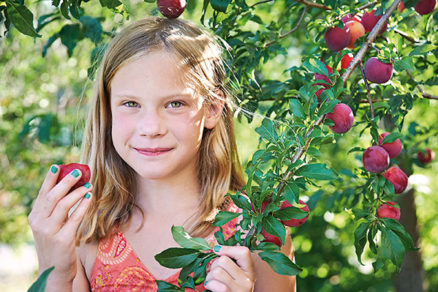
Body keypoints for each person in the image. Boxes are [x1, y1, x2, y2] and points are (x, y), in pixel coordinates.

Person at [28, 16, 296, 291]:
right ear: (107, 111)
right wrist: (54, 271)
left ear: (213, 109)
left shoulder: (258, 232)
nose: (151, 128)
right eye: (131, 103)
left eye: (175, 104)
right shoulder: (85, 233)